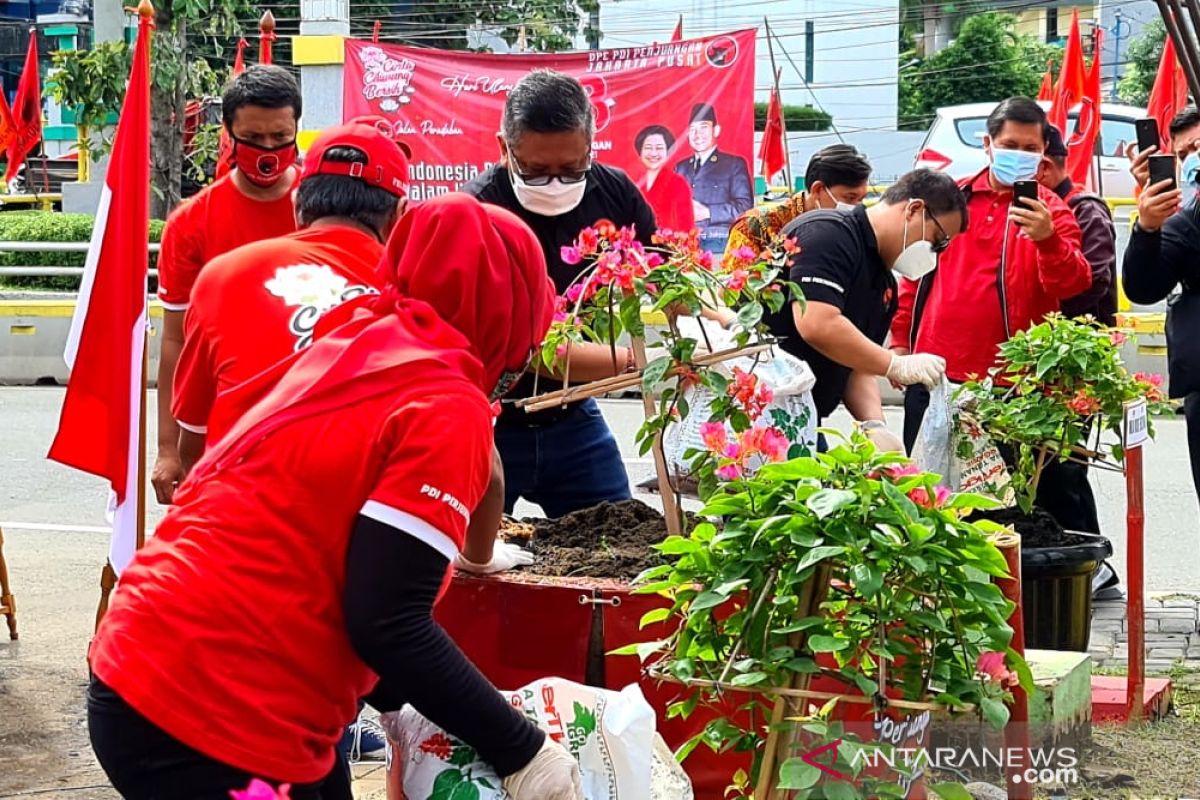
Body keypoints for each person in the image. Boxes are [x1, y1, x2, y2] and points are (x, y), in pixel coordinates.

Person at [88, 194, 583, 800]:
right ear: (518, 304)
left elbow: (320, 544)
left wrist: (400, 699)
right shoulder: (444, 403)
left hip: (148, 656)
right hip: (213, 712)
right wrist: (524, 751)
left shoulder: (354, 341)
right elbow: (387, 621)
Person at [464, 69, 655, 517]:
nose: (555, 183)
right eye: (536, 170)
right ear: (503, 149)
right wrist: (639, 364)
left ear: (590, 145)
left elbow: (659, 274)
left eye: (571, 170)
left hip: (571, 418)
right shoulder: (475, 216)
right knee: (469, 565)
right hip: (487, 422)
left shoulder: (615, 193)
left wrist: (721, 327)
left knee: (617, 534)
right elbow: (530, 350)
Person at [892, 97, 1091, 452]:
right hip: (934, 373)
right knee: (930, 494)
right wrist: (899, 342)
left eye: (1030, 148)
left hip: (1012, 383)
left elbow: (1074, 284)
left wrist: (1048, 240)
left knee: (1008, 503)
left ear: (1044, 151)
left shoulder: (1054, 212)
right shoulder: (951, 200)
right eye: (1009, 145)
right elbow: (913, 272)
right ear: (988, 145)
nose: (1019, 154)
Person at [153, 64, 303, 505]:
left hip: (309, 425)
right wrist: (166, 448)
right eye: (254, 139)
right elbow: (175, 342)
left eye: (280, 137)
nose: (269, 150)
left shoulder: (324, 204)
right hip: (218, 431)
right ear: (228, 133)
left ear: (297, 127)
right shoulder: (190, 224)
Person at [776, 169, 965, 448]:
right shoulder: (829, 235)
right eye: (938, 241)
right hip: (758, 410)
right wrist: (894, 364)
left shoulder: (884, 284)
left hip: (804, 419)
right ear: (914, 209)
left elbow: (857, 364)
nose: (935, 254)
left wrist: (874, 425)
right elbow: (817, 323)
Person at [1124, 106, 1200, 506]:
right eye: (1183, 154)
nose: (1192, 160)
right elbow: (1143, 285)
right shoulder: (1185, 222)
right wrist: (1148, 225)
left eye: (1198, 147)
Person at [725, 143, 873, 256]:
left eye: (861, 199)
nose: (856, 207)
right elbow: (734, 290)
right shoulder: (755, 227)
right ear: (818, 190)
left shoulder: (858, 230)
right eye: (850, 198)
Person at [1037, 124, 1118, 325]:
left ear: (1045, 167)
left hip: (1079, 340)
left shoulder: (1086, 211)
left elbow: (1095, 281)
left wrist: (1044, 312)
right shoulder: (1037, 209)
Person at [673, 103, 753, 253]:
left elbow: (745, 208)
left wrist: (708, 212)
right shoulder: (681, 167)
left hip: (720, 246)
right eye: (692, 130)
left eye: (703, 127)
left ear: (716, 130)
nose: (697, 135)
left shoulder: (733, 164)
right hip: (684, 249)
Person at [634, 124, 694, 231]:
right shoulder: (633, 182)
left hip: (666, 246)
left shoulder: (678, 184)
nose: (653, 153)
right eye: (648, 148)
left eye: (659, 148)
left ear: (668, 152)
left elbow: (687, 227)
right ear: (640, 151)